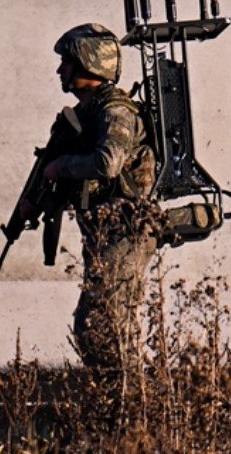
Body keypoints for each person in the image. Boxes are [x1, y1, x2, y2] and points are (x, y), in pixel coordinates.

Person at [40, 23, 160, 377]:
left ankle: (138, 406)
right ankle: (120, 400)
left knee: (109, 326)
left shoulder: (116, 111)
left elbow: (108, 164)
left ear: (89, 64)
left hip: (125, 230)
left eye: (67, 62)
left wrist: (62, 166)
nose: (60, 70)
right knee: (92, 329)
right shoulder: (87, 114)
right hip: (104, 232)